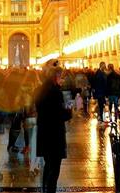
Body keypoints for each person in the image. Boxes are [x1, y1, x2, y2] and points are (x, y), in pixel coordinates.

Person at [36, 62, 72, 193]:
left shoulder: (40, 90)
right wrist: (69, 111)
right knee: (54, 168)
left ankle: (45, 189)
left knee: (48, 165)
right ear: (55, 77)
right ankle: (50, 190)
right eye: (60, 77)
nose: (62, 79)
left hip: (44, 132)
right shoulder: (55, 92)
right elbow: (59, 114)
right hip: (54, 134)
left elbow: (42, 110)